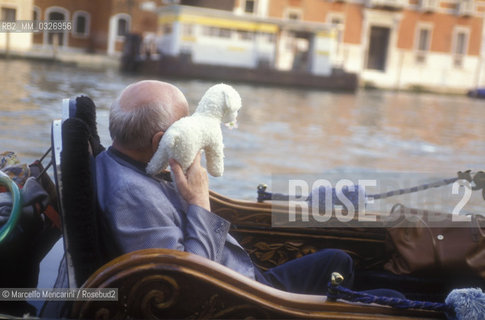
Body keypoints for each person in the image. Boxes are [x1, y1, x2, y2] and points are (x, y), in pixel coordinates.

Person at [96, 80, 403, 297]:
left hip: (244, 279)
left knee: (339, 260)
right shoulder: (131, 195)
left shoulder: (121, 164)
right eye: (186, 124)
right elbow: (185, 283)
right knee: (394, 299)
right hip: (243, 300)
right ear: (159, 141)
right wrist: (200, 202)